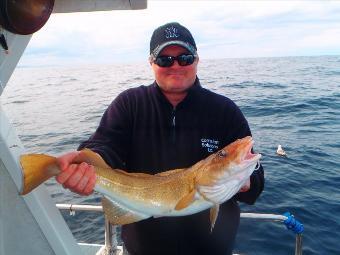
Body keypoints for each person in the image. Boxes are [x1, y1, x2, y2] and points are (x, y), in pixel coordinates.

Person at [56, 22, 264, 255]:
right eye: (165, 60)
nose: (175, 66)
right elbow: (105, 147)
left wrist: (243, 180)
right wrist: (83, 162)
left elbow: (256, 182)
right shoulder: (129, 104)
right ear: (151, 63)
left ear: (197, 59)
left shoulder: (225, 110)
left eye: (184, 58)